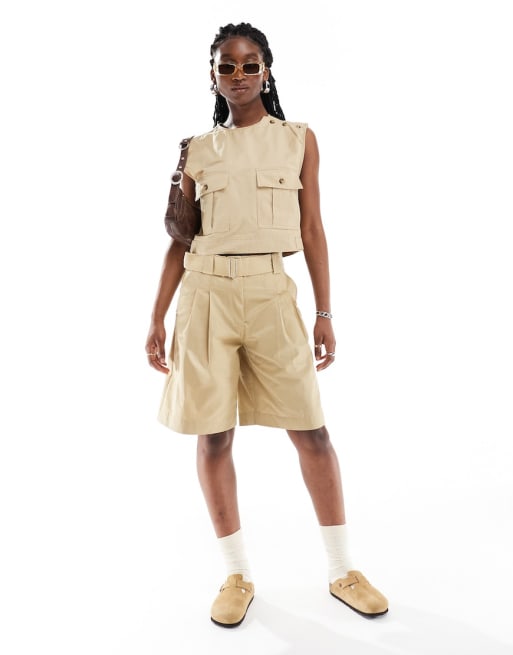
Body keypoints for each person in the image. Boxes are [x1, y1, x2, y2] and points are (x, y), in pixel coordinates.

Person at [145, 22, 388, 628]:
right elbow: (180, 240)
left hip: (272, 295)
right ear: (212, 76)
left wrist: (324, 312)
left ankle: (342, 570)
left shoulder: (298, 139)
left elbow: (312, 230)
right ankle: (236, 575)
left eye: (250, 64)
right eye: (226, 65)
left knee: (312, 431)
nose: (239, 75)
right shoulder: (196, 150)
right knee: (213, 435)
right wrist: (155, 316)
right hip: (205, 296)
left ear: (267, 72)